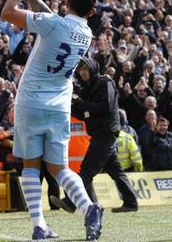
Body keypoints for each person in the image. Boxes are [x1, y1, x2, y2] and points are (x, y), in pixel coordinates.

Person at [1, 0, 102, 240]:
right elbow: (53, 21)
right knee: (60, 169)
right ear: (92, 12)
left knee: (31, 165)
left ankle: (38, 224)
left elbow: (7, 13)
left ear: (67, 1)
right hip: (59, 106)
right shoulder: (87, 33)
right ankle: (88, 207)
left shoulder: (53, 24)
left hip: (30, 102)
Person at [51, 57, 138, 214]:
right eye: (80, 70)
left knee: (86, 172)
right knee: (116, 172)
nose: (83, 72)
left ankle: (75, 203)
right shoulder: (89, 87)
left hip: (105, 133)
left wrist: (81, 104)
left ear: (92, 68)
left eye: (85, 69)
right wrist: (74, 103)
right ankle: (131, 202)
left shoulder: (105, 82)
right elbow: (83, 113)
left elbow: (105, 106)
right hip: (101, 133)